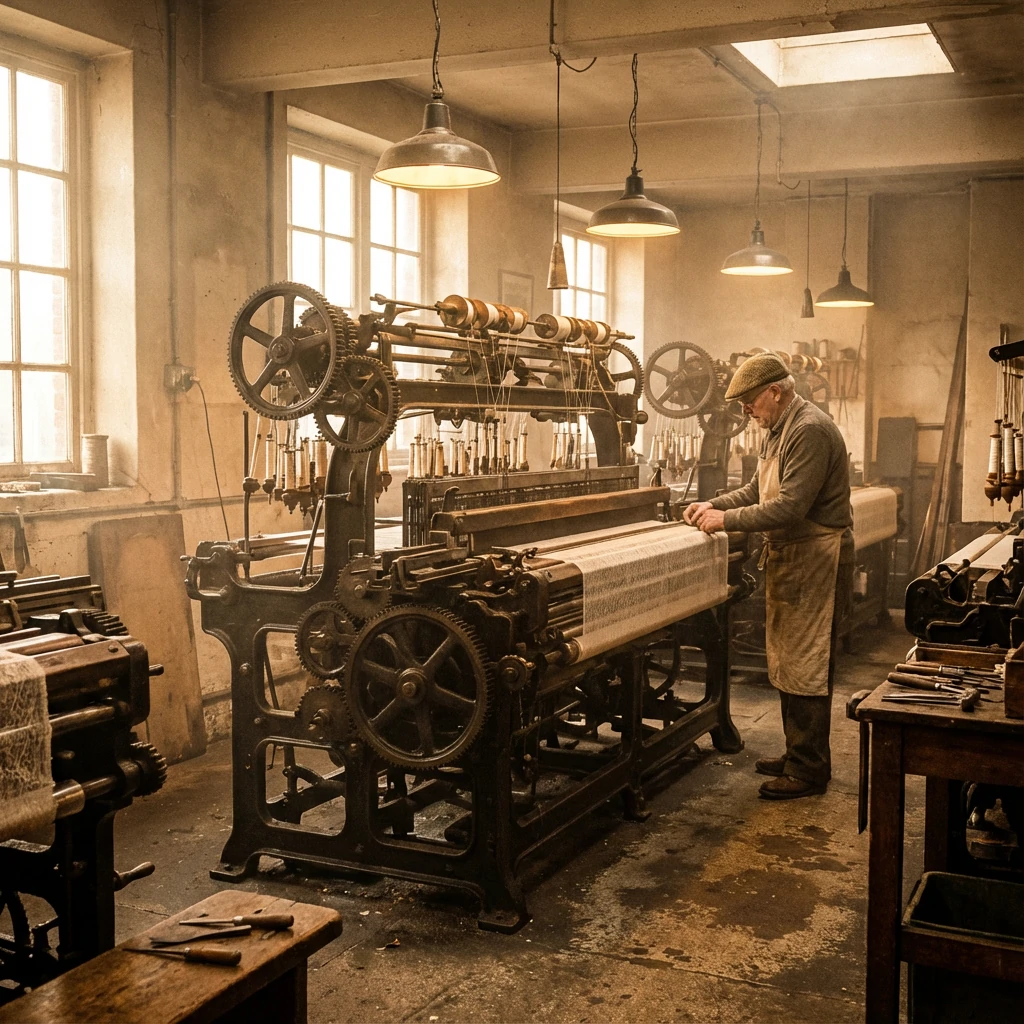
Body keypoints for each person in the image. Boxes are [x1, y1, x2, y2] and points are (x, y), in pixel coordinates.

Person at [684, 353, 853, 799]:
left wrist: (727, 521)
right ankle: (799, 752)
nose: (745, 412)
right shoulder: (780, 427)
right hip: (793, 554)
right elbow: (760, 491)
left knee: (807, 662)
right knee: (789, 661)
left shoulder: (809, 430)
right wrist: (715, 504)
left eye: (749, 403)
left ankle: (809, 768)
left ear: (775, 392)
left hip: (816, 555)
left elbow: (790, 506)